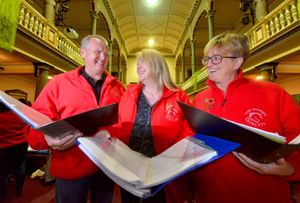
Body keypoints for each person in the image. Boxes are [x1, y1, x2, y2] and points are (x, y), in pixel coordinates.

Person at [190, 32, 300, 203]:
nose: (208, 65)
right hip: (209, 194)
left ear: (237, 61)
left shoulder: (273, 93)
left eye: (216, 58)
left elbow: (297, 137)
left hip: (262, 194)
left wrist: (291, 169)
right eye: (206, 59)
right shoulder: (198, 99)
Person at [26, 35, 125, 203]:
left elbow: (125, 122)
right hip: (70, 166)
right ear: (82, 53)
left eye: (107, 54)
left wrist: (111, 132)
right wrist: (45, 138)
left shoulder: (119, 87)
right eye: (98, 52)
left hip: (106, 168)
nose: (103, 58)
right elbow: (34, 125)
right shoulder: (58, 83)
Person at [107, 49, 195, 203]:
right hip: (131, 168)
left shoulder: (179, 96)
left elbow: (188, 130)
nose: (138, 66)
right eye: (137, 63)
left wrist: (173, 156)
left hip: (164, 170)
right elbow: (119, 124)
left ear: (157, 65)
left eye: (143, 62)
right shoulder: (129, 94)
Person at [0, 99, 28, 202]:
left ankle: (2, 195)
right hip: (21, 145)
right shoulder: (19, 116)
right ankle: (19, 190)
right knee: (20, 168)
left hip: (4, 148)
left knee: (3, 173)